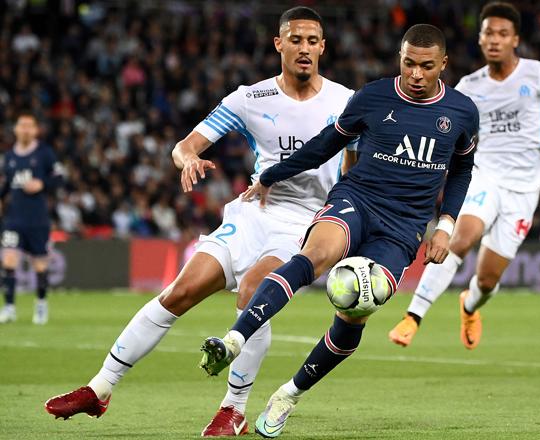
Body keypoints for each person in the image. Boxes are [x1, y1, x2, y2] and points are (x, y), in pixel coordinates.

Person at [44, 7, 357, 437]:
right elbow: (185, 144)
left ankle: (234, 409)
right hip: (253, 213)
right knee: (179, 292)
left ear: (323, 47)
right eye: (295, 39)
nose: (304, 48)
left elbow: (356, 171)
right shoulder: (250, 98)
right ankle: (99, 389)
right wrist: (188, 157)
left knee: (253, 293)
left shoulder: (346, 101)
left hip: (304, 222)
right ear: (278, 44)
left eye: (312, 41)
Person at [198, 24, 479, 437]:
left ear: (443, 65)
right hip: (357, 200)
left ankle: (289, 394)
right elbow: (324, 144)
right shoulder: (373, 97)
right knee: (314, 256)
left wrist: (446, 226)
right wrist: (272, 174)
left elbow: (462, 169)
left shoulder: (462, 111)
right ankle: (234, 340)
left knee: (354, 311)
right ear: (399, 58)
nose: (416, 74)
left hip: (402, 229)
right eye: (408, 64)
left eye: (426, 67)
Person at [388, 1, 540, 350]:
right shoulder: (470, 87)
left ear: (515, 39)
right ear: (480, 40)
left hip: (525, 189)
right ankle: (413, 316)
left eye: (502, 33)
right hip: (485, 176)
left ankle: (470, 305)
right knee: (460, 238)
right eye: (488, 34)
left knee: (487, 279)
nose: (495, 40)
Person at [0, 112, 61, 325]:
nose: (25, 129)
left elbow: (59, 177)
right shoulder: (8, 157)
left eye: (29, 126)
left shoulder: (44, 153)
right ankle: (9, 308)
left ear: (35, 130)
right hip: (13, 219)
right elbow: (5, 185)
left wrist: (42, 184)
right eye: (22, 125)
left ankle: (41, 305)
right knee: (8, 261)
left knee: (40, 266)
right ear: (16, 129)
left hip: (37, 220)